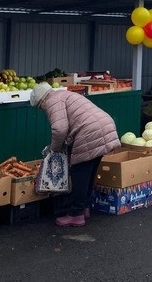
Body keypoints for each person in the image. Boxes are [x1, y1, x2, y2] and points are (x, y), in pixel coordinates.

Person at [30, 82, 121, 227]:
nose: (42, 110)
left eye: (40, 107)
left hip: (90, 132)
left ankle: (76, 214)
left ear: (42, 101)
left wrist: (54, 149)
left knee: (79, 174)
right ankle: (84, 207)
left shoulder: (52, 101)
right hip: (104, 125)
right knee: (89, 173)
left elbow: (59, 129)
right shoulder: (64, 95)